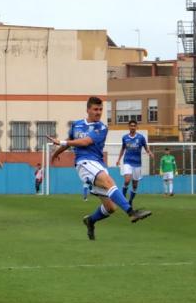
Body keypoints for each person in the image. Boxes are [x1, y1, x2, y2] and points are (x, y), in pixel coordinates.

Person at [48, 96, 151, 241]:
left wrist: (61, 141)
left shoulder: (101, 127)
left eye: (101, 109)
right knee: (110, 182)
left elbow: (85, 141)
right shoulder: (76, 125)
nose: (98, 112)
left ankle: (90, 220)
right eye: (95, 109)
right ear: (88, 109)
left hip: (97, 164)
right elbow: (70, 143)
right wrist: (56, 153)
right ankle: (131, 212)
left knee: (110, 208)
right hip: (84, 163)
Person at [115, 120, 154, 206]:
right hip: (127, 161)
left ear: (136, 127)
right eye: (131, 126)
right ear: (128, 127)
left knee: (135, 185)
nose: (132, 127)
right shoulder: (125, 137)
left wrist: (149, 152)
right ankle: (123, 197)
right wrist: (118, 159)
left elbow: (146, 147)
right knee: (127, 180)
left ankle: (130, 201)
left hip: (137, 163)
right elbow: (123, 148)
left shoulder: (141, 137)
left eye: (134, 126)